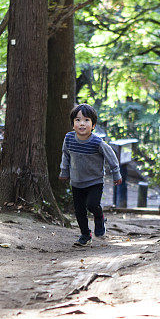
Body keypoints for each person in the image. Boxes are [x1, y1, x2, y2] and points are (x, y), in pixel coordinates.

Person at [59, 104, 122, 247]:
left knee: (92, 204)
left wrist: (116, 173)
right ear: (73, 124)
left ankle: (99, 218)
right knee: (79, 210)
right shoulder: (69, 138)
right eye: (78, 120)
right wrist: (64, 171)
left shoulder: (97, 142)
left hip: (95, 181)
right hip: (76, 182)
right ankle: (85, 235)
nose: (82, 123)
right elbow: (66, 155)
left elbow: (111, 156)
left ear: (93, 125)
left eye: (86, 120)